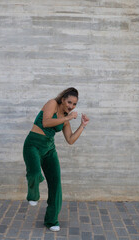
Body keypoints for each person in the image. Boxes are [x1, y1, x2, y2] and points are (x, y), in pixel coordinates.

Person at [23, 87, 89, 232]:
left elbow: (70, 140)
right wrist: (67, 118)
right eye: (69, 102)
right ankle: (33, 195)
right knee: (34, 173)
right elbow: (46, 122)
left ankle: (51, 220)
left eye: (74, 105)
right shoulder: (52, 103)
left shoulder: (66, 118)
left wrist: (82, 126)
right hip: (33, 144)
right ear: (63, 99)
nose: (71, 107)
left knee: (56, 185)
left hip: (49, 149)